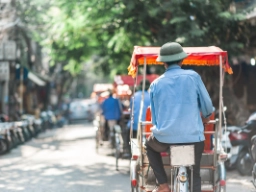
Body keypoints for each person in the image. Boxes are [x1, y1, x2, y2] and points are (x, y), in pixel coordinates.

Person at [146, 42, 214, 192]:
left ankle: (163, 185)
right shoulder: (193, 77)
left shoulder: (155, 84)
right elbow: (207, 106)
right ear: (182, 60)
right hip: (193, 138)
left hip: (164, 139)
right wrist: (207, 116)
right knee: (194, 174)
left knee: (149, 146)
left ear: (163, 63)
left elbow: (155, 119)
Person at [126, 80, 151, 155]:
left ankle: (128, 152)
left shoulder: (134, 96)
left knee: (127, 134)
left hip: (135, 125)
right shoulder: (151, 95)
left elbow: (131, 109)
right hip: (148, 126)